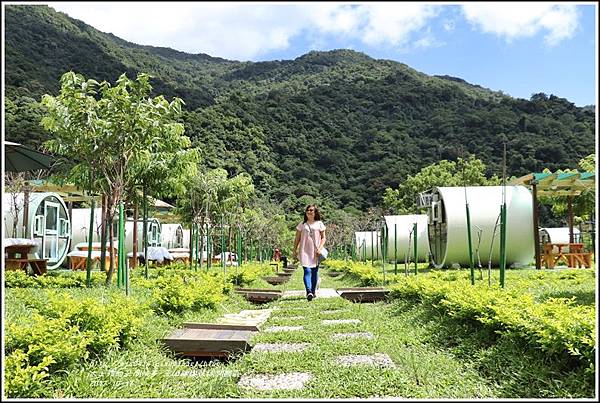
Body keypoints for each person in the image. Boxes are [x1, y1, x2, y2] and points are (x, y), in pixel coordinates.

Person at [293, 204, 326, 301]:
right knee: (307, 271)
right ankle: (309, 292)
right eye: (308, 210)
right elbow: (297, 239)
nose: (309, 212)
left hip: (315, 252)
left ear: (315, 212)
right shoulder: (302, 225)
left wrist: (320, 248)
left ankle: (313, 291)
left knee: (315, 272)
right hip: (304, 251)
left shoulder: (319, 223)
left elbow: (324, 238)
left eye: (311, 210)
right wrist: (294, 250)